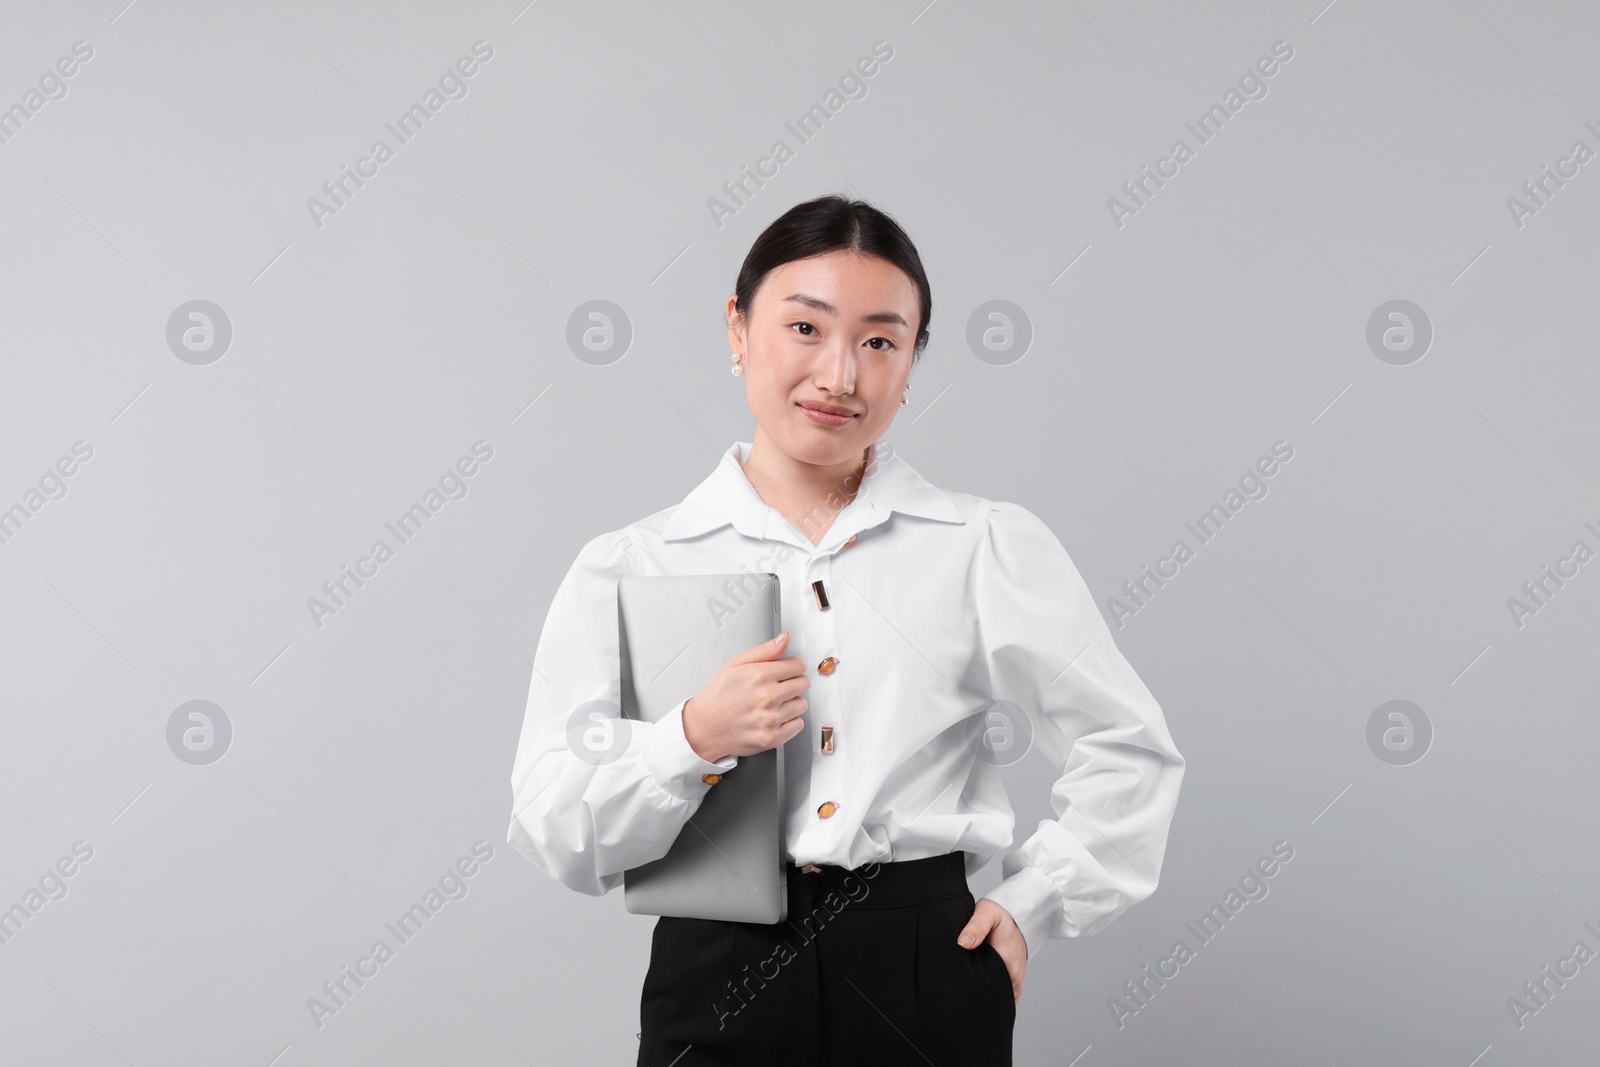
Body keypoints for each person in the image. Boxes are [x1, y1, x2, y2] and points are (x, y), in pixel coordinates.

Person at [506, 194, 1185, 1066]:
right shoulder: (634, 563)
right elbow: (553, 823)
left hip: (924, 964)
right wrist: (690, 738)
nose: (839, 376)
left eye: (879, 341)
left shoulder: (980, 548)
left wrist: (1036, 902)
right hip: (718, 964)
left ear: (911, 364)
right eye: (804, 328)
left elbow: (1129, 746)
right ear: (737, 328)